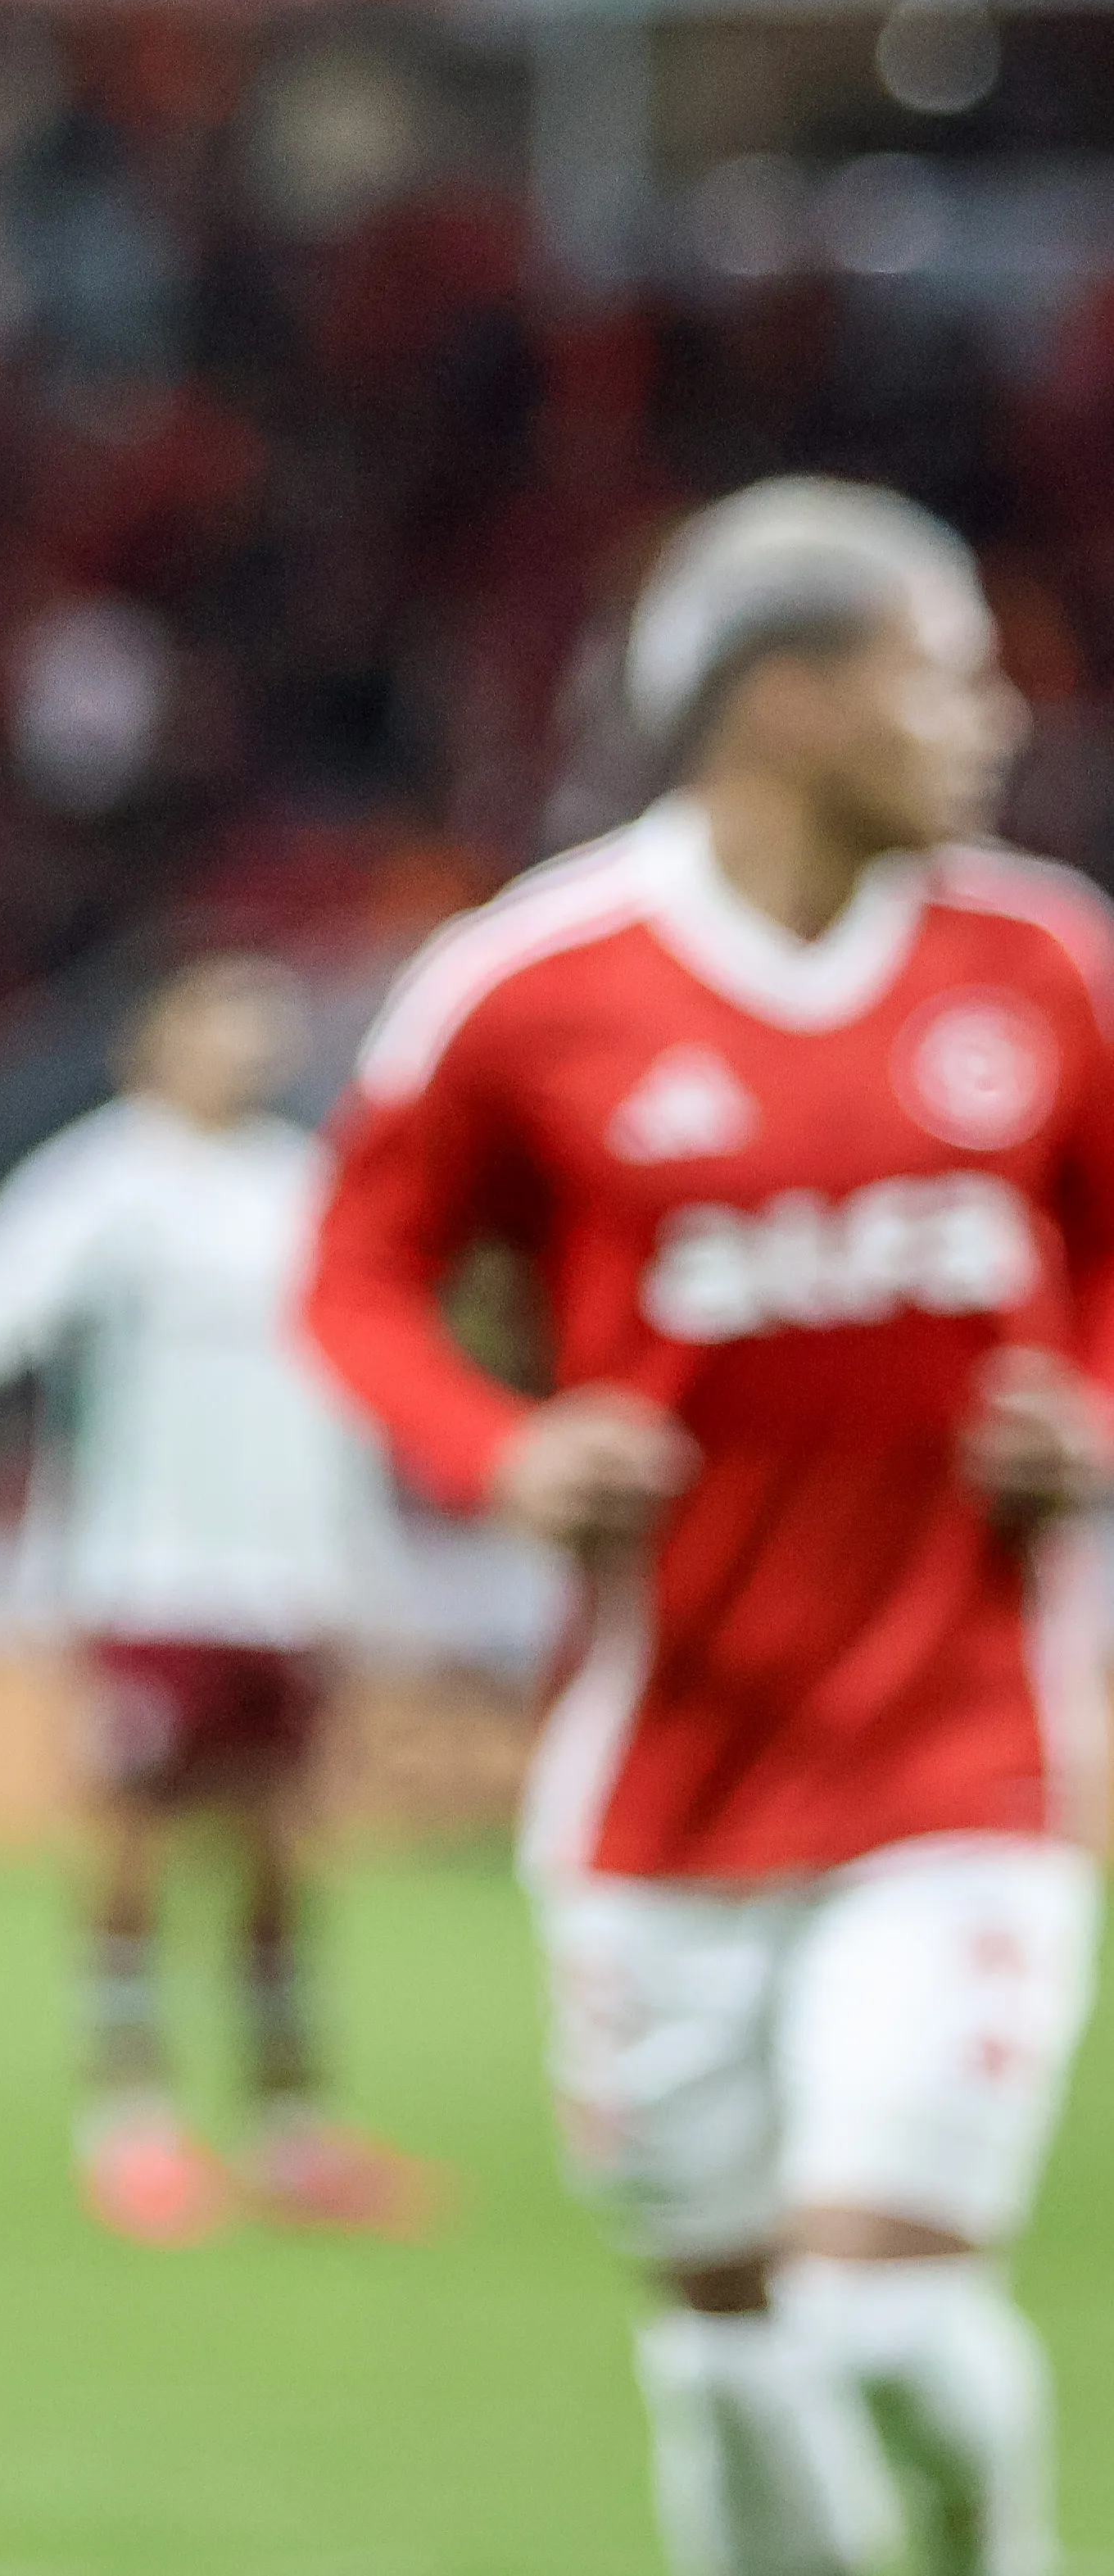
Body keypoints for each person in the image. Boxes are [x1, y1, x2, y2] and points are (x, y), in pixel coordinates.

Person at [302, 479, 1114, 2576]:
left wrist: (1096, 1409)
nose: (998, 716)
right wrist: (499, 1449)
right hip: (658, 1777)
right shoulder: (529, 984)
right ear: (785, 700)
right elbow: (358, 1277)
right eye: (946, 672)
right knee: (730, 2362)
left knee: (878, 2315)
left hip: (961, 1756)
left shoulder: (1047, 964)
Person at [0, 954, 431, 2248]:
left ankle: (291, 2131)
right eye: (220, 1019)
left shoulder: (303, 1188)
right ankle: (131, 2127)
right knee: (133, 1845)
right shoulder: (108, 1179)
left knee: (279, 1852)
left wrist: (368, 1571)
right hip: (151, 1574)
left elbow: (356, 1381)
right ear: (159, 1039)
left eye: (262, 1023)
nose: (247, 1044)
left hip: (287, 1580)